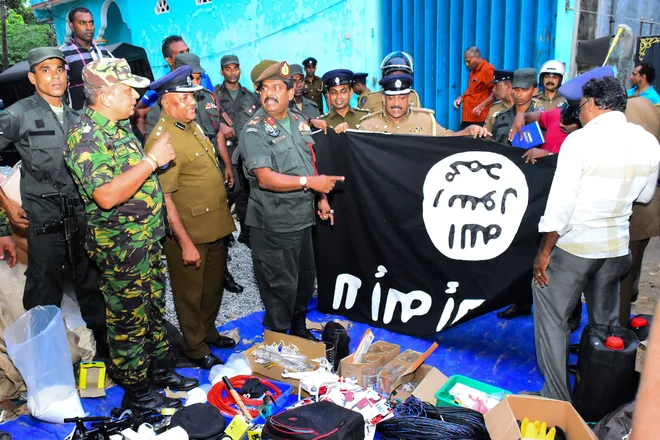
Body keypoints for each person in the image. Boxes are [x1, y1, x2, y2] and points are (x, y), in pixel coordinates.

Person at [66, 58, 199, 411]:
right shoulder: (85, 137)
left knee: (153, 309)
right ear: (107, 95)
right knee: (128, 319)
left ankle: (158, 371)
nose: (135, 96)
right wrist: (152, 161)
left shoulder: (119, 127)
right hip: (121, 248)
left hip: (145, 240)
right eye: (128, 90)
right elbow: (106, 195)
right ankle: (136, 388)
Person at [531, 76, 660, 401]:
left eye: (582, 104)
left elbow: (560, 206)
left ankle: (556, 397)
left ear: (592, 105)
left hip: (576, 248)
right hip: (616, 249)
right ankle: (601, 393)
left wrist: (544, 252)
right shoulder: (648, 142)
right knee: (605, 326)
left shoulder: (580, 142)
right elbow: (644, 196)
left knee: (553, 315)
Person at [0, 47, 107, 354]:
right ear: (33, 77)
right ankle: (47, 364)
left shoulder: (79, 115)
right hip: (43, 219)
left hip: (81, 216)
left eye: (60, 69)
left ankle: (105, 353)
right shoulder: (18, 115)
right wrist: (7, 205)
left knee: (92, 286)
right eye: (46, 70)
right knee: (43, 294)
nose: (55, 76)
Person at [238, 60, 343, 340]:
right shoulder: (254, 130)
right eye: (264, 88)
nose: (269, 93)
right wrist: (311, 183)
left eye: (277, 87)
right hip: (273, 223)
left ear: (289, 91)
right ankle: (278, 338)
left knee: (304, 280)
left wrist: (321, 197)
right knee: (278, 286)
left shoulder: (297, 120)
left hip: (301, 218)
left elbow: (309, 160)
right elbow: (265, 178)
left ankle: (298, 328)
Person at [146, 66, 237, 370]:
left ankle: (208, 332)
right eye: (184, 99)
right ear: (166, 102)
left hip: (214, 226)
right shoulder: (163, 139)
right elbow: (166, 198)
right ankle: (194, 348)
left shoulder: (191, 126)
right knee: (189, 294)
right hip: (190, 232)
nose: (192, 104)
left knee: (212, 288)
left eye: (192, 98)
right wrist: (184, 242)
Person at [144, 53, 243, 294]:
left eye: (198, 78)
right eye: (191, 80)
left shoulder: (205, 100)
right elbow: (165, 188)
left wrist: (226, 166)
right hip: (189, 205)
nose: (192, 99)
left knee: (214, 263)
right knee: (193, 286)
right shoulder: (161, 117)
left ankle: (221, 277)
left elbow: (216, 132)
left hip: (210, 178)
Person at [618, 96, 660, 325]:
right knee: (633, 268)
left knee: (621, 278)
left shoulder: (623, 121)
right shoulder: (649, 107)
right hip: (650, 209)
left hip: (633, 212)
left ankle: (617, 332)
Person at [349, 73, 489, 137]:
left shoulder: (426, 120)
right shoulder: (367, 126)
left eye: (402, 98)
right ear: (383, 99)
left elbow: (449, 138)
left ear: (409, 99)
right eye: (391, 98)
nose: (396, 103)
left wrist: (468, 130)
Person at [215, 54, 261, 248]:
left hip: (245, 151)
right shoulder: (214, 95)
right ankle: (222, 232)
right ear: (222, 72)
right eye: (228, 69)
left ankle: (245, 232)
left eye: (235, 68)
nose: (232, 72)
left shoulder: (250, 95)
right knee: (227, 191)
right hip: (225, 151)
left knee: (246, 192)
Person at [132, 36, 213, 137]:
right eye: (181, 53)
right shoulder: (163, 86)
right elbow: (138, 113)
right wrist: (150, 143)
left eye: (187, 51)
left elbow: (213, 102)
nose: (186, 55)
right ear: (169, 60)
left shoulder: (203, 77)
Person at [60, 7, 113, 110]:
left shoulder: (103, 52)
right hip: (81, 117)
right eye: (82, 23)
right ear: (72, 26)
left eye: (91, 23)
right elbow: (61, 90)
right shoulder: (64, 55)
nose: (89, 27)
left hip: (108, 114)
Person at [491, 68, 543, 144]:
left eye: (524, 90)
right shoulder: (501, 118)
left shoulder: (540, 119)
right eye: (516, 89)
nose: (519, 94)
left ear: (534, 91)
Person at [453, 46, 495, 130]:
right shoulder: (473, 72)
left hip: (480, 118)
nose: (467, 64)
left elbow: (496, 92)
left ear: (476, 57)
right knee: (459, 139)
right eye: (465, 62)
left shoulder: (488, 70)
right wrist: (460, 98)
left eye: (468, 61)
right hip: (468, 117)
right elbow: (471, 90)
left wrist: (481, 106)